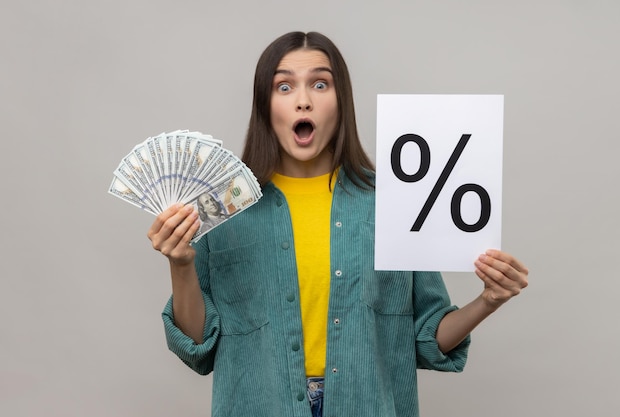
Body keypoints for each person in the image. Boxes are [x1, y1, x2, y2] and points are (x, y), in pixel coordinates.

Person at [147, 31, 529, 417]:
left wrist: (488, 301)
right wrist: (180, 265)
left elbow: (426, 338)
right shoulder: (220, 207)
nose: (303, 100)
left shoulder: (396, 200)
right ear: (265, 105)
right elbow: (198, 345)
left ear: (340, 100)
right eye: (284, 86)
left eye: (320, 83)